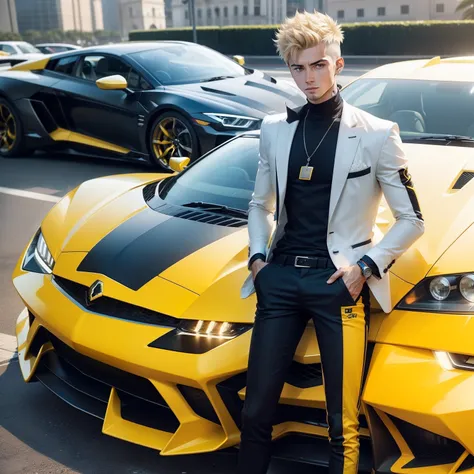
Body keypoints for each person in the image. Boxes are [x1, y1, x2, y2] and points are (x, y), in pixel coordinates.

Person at [238, 10, 425, 474]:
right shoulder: (273, 130)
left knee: (342, 421)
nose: (308, 78)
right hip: (277, 281)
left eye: (318, 65)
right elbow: (259, 206)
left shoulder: (378, 134)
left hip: (337, 284)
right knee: (256, 410)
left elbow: (412, 219)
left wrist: (364, 267)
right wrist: (259, 261)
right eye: (298, 68)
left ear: (338, 65)